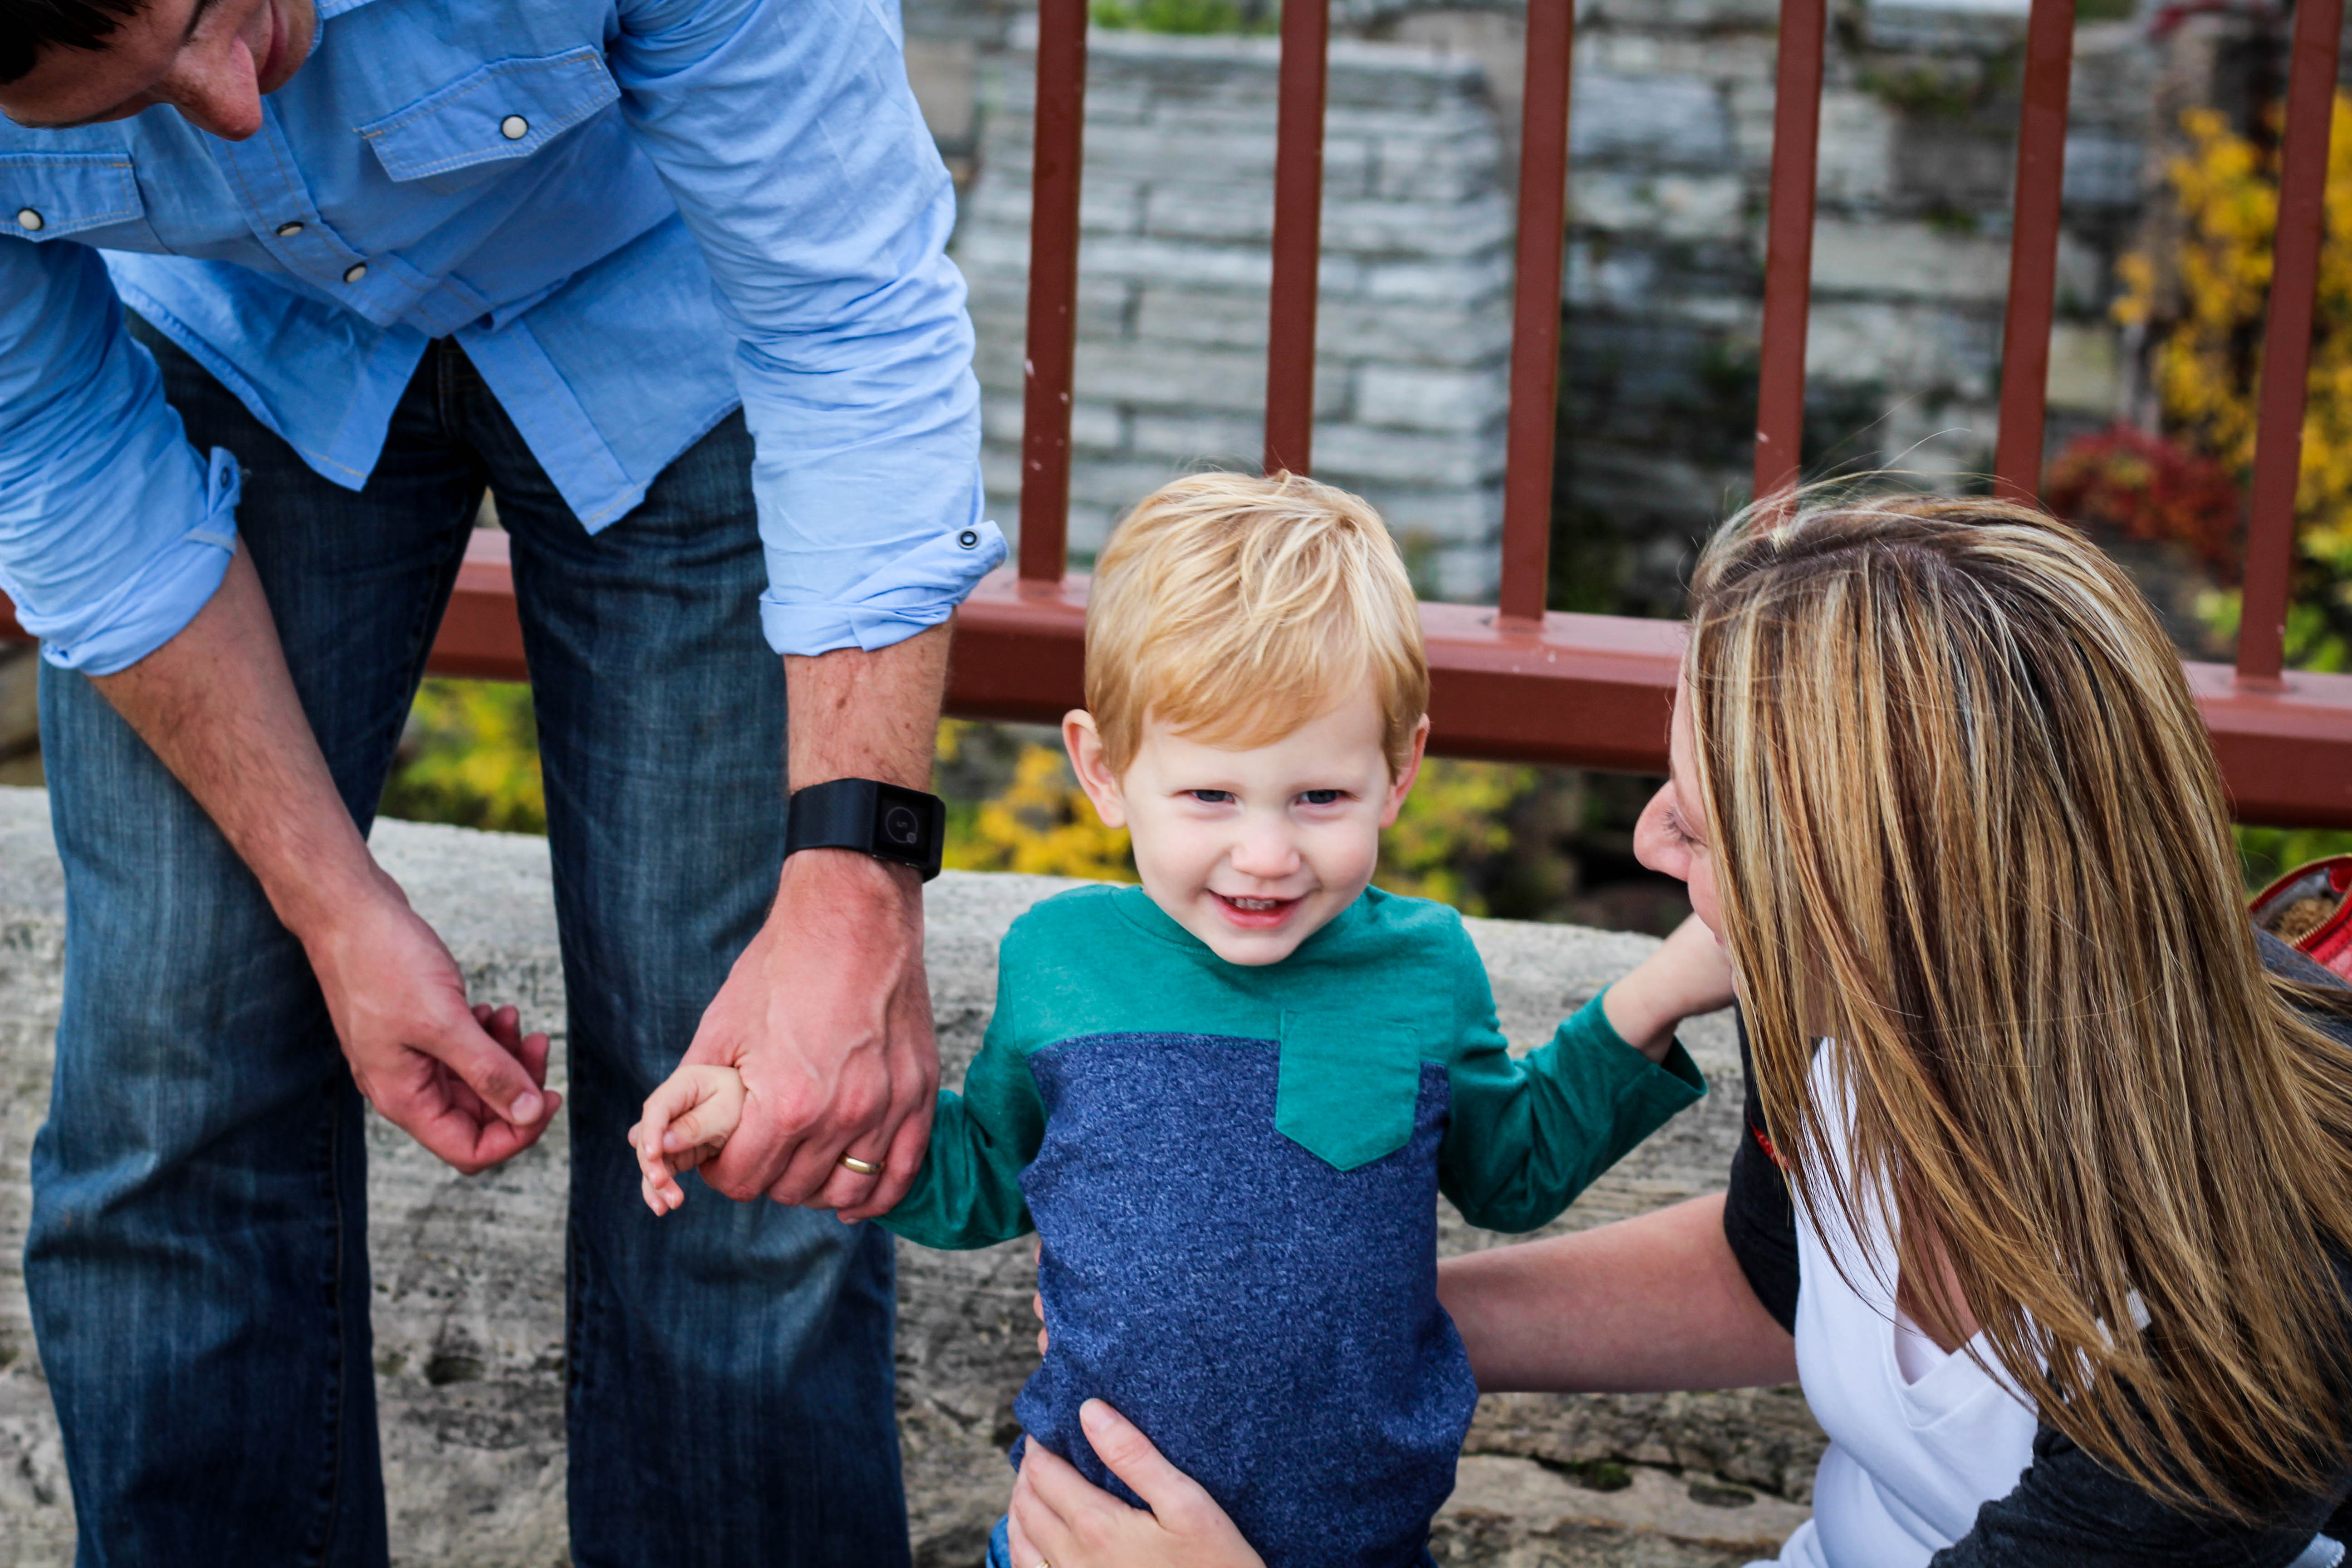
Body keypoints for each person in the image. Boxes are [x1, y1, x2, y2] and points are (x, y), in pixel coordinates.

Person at [0, 0, 1002, 1561]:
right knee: (166, 1085)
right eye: (110, 104)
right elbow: (59, 465)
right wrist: (336, 910)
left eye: (207, 14)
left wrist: (854, 889)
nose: (226, 105)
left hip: (678, 307)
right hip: (233, 335)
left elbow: (848, 322)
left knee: (747, 1093)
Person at [998, 494, 2352, 1568]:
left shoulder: (2249, 1321)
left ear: (1892, 885)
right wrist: (1263, 1321)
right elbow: (1775, 1282)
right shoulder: (1839, 1006)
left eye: (1704, 827)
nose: (1648, 840)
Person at [630, 471, 1722, 1568]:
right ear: (1103, 771)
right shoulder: (1059, 959)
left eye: (1319, 799)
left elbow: (1511, 1170)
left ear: (1399, 774)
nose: (1265, 853)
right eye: (1211, 796)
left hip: (1363, 1545)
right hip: (1082, 1539)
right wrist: (767, 1116)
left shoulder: (1423, 965)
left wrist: (1663, 989)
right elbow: (979, 1175)